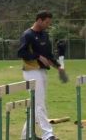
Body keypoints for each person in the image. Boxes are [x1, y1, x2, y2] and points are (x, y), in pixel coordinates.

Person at [18, 10, 65, 140]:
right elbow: (21, 53)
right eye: (47, 22)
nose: (48, 25)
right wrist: (37, 56)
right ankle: (48, 134)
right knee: (39, 104)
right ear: (39, 20)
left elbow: (49, 55)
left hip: (43, 71)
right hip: (31, 71)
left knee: (37, 104)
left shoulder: (45, 35)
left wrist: (58, 66)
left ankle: (26, 135)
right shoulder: (27, 35)